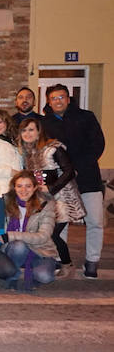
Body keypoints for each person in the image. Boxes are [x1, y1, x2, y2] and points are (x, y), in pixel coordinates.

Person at [41, 84, 106, 278]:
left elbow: (98, 144)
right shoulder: (46, 123)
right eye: (54, 98)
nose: (58, 101)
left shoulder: (86, 117)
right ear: (49, 102)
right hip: (62, 182)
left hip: (88, 178)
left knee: (95, 221)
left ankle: (92, 260)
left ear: (68, 99)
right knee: (61, 222)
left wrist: (78, 168)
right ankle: (61, 259)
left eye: (61, 97)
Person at [17, 118, 82, 271]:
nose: (27, 133)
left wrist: (52, 188)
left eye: (31, 129)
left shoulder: (53, 148)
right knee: (44, 233)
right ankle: (54, 262)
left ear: (39, 131)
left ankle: (66, 263)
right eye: (24, 130)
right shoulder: (27, 153)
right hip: (43, 201)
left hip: (62, 199)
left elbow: (69, 171)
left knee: (51, 233)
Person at [0, 170, 58, 290]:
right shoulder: (5, 202)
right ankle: (13, 277)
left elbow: (43, 236)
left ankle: (34, 275)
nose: (23, 190)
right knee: (18, 246)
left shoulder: (46, 205)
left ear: (35, 187)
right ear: (14, 187)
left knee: (44, 276)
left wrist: (12, 235)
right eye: (19, 186)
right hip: (13, 249)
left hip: (40, 250)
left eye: (28, 186)